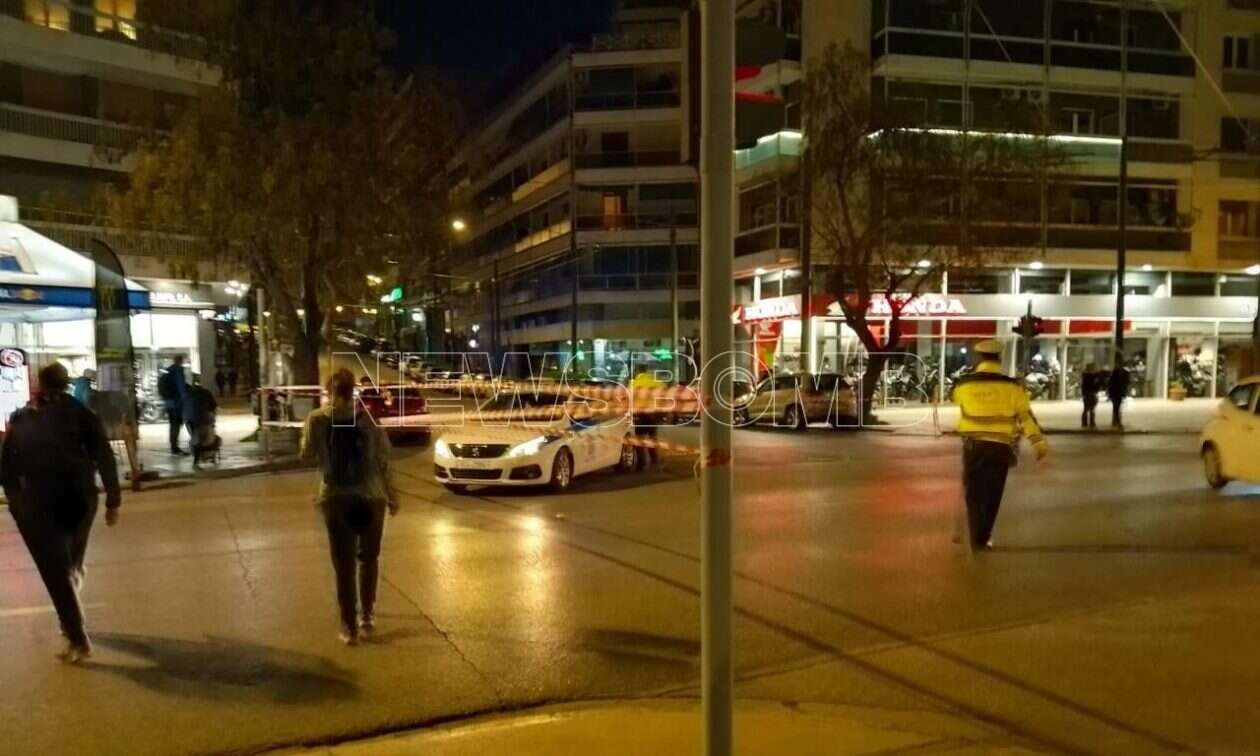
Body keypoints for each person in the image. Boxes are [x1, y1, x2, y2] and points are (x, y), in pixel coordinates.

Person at [1, 363, 121, 663]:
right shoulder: (83, 414)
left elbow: (6, 463)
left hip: (40, 504)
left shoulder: (23, 418)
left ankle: (77, 638)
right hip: (82, 500)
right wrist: (113, 500)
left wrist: (15, 501)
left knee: (55, 573)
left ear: (39, 384)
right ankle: (71, 611)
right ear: (67, 383)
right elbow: (104, 456)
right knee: (68, 565)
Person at [301, 368, 397, 646]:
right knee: (368, 558)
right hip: (371, 497)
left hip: (335, 498)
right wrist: (392, 496)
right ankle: (367, 617)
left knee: (343, 564)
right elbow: (384, 460)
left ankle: (349, 627)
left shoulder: (317, 419)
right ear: (352, 390)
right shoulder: (367, 420)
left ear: (328, 391)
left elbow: (306, 455)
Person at [951, 340, 1048, 552]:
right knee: (992, 494)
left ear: (979, 359)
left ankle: (977, 537)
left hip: (973, 446)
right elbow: (1026, 417)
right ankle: (984, 536)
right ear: (1000, 359)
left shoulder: (963, 385)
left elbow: (956, 400)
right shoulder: (1013, 387)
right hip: (1001, 446)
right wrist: (1038, 443)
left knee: (974, 493)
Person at [631, 364, 665, 470]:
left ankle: (641, 463)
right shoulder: (655, 382)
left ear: (638, 372)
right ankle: (654, 459)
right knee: (652, 437)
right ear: (647, 371)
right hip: (652, 414)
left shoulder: (633, 383)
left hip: (639, 414)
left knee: (639, 439)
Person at [184, 376, 219, 469]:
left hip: (190, 421)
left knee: (196, 438)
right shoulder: (205, 392)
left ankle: (197, 459)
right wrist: (213, 419)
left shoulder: (187, 395)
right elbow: (214, 408)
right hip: (204, 420)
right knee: (207, 438)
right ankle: (205, 456)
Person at [158, 355, 189, 455]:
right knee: (176, 425)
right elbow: (181, 387)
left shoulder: (168, 370)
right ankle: (175, 447)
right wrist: (185, 400)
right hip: (176, 403)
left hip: (168, 402)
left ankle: (173, 445)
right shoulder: (178, 370)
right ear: (181, 361)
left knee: (172, 424)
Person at [1108, 362, 1131, 429]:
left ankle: (1115, 421)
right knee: (1117, 408)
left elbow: (1110, 385)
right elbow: (1125, 384)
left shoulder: (1113, 377)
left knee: (1116, 408)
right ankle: (1117, 421)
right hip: (1118, 394)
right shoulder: (1120, 376)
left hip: (1115, 394)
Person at [1080, 363, 1100, 429]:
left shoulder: (1085, 376)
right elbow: (1096, 385)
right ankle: (1092, 423)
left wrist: (1083, 394)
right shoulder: (1093, 376)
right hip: (1092, 393)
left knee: (1086, 408)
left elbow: (1083, 386)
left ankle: (1084, 423)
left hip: (1086, 394)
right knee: (1092, 409)